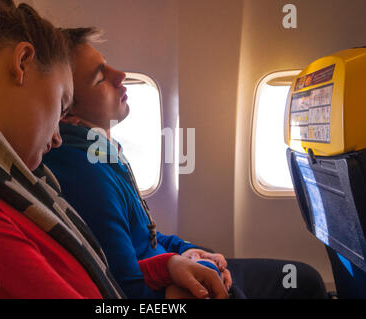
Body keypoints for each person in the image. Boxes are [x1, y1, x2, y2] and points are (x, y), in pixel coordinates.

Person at [0, 0, 228, 299]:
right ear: (22, 62)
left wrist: (168, 265)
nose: (58, 137)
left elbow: (99, 278)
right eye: (61, 104)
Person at [43, 27, 328, 299]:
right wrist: (191, 275)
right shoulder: (84, 173)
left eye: (108, 66)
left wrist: (189, 251)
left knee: (305, 278)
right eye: (100, 77)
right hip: (164, 285)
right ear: (67, 113)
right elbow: (122, 287)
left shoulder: (103, 152)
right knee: (305, 283)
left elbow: (146, 237)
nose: (121, 76)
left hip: (169, 267)